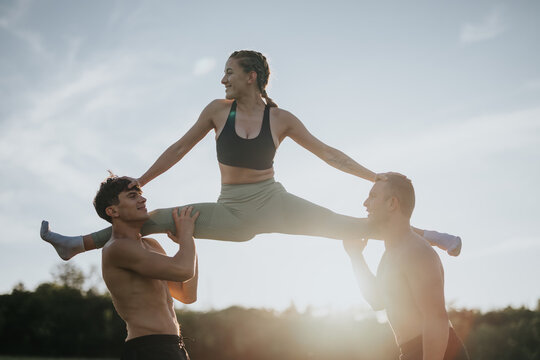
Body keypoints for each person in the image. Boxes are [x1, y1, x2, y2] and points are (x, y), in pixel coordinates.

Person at [40, 50, 461, 260]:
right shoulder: (216, 111)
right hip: (232, 213)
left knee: (350, 225)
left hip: (275, 204)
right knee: (153, 218)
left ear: (250, 77)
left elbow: (330, 155)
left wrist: (376, 179)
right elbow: (179, 147)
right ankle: (75, 245)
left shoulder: (281, 120)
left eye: (229, 72)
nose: (223, 79)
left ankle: (431, 237)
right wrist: (141, 183)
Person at [343, 173, 469, 360]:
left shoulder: (416, 251)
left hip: (438, 352)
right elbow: (377, 300)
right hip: (412, 352)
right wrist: (355, 256)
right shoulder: (391, 253)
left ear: (392, 203)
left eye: (373, 196)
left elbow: (436, 320)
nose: (365, 203)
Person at [97, 175, 199, 360]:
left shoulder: (151, 245)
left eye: (140, 195)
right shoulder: (117, 248)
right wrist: (186, 237)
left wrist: (189, 241)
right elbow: (184, 269)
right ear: (113, 211)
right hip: (148, 349)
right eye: (132, 196)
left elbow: (187, 295)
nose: (143, 199)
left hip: (173, 346)